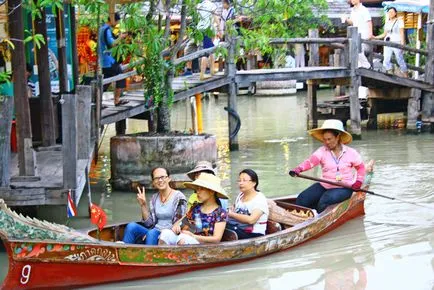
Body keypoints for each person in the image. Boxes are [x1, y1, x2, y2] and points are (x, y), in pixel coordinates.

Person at [289, 119, 366, 213]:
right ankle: (302, 217)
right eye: (324, 139)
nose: (327, 142)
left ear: (337, 137)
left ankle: (317, 219)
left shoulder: (351, 153)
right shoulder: (322, 151)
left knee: (325, 200)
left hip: (344, 187)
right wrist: (298, 169)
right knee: (302, 199)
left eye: (329, 139)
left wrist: (358, 182)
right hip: (324, 184)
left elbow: (361, 168)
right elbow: (310, 162)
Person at [122, 167, 187, 245]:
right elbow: (149, 224)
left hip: (170, 234)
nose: (160, 180)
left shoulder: (179, 197)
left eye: (162, 177)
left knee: (152, 233)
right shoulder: (154, 198)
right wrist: (143, 205)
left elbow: (178, 224)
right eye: (156, 178)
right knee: (131, 226)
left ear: (169, 178)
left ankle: (150, 257)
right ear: (153, 182)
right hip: (154, 231)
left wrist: (157, 232)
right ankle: (125, 254)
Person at [159, 173, 228, 245]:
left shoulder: (220, 213)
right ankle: (162, 256)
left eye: (201, 189)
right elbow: (181, 222)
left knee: (184, 239)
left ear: (211, 191)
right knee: (165, 234)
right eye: (197, 189)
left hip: (205, 245)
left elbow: (216, 239)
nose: (197, 192)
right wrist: (177, 226)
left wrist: (193, 236)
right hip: (187, 238)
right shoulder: (195, 207)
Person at [227, 169, 269, 239]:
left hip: (254, 234)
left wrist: (232, 214)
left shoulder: (260, 199)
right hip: (239, 229)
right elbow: (234, 210)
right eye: (239, 180)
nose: (241, 183)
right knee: (220, 223)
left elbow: (251, 220)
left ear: (254, 183)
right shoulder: (240, 195)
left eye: (244, 180)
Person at [98, 12, 128, 106]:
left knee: (106, 82)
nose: (117, 23)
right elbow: (112, 44)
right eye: (117, 21)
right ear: (113, 20)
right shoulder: (106, 29)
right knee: (120, 77)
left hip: (104, 60)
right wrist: (120, 37)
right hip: (110, 60)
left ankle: (97, 102)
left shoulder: (101, 28)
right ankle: (117, 100)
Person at [372, 7, 408, 78]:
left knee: (399, 59)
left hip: (397, 42)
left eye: (392, 12)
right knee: (386, 59)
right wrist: (374, 37)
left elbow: (401, 33)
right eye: (389, 12)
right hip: (387, 42)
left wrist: (402, 44)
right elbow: (384, 34)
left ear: (395, 13)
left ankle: (406, 76)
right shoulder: (387, 22)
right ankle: (390, 75)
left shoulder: (399, 21)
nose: (390, 13)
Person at [344, 0, 372, 66]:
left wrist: (370, 34)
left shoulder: (364, 9)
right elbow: (352, 22)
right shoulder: (352, 10)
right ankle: (359, 66)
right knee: (354, 50)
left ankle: (367, 66)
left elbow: (369, 21)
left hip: (363, 34)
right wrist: (346, 19)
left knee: (359, 51)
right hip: (355, 33)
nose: (352, 1)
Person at [196, 0, 219, 80]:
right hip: (207, 29)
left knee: (211, 49)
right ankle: (202, 74)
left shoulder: (199, 5)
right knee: (206, 52)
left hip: (200, 29)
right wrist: (219, 28)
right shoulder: (212, 5)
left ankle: (212, 70)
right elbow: (215, 17)